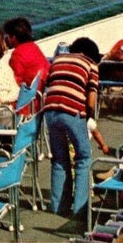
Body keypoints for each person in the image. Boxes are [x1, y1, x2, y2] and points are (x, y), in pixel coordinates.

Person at [42, 37, 100, 218]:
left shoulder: (58, 60)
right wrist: (88, 117)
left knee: (59, 159)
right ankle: (80, 208)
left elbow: (50, 86)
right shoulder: (91, 65)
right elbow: (91, 101)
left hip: (50, 110)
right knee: (83, 157)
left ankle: (59, 207)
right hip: (72, 111)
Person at [3, 16, 51, 94]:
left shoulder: (17, 55)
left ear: (13, 37)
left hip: (30, 98)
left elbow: (14, 83)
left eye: (7, 36)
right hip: (41, 90)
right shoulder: (34, 47)